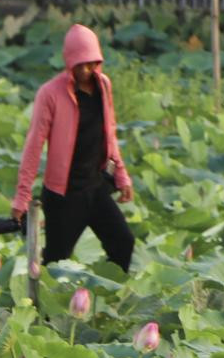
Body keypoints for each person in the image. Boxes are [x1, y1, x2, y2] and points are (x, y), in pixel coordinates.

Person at [11, 24, 135, 271]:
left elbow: (109, 132)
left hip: (95, 187)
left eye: (92, 63)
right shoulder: (50, 94)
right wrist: (22, 196)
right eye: (81, 64)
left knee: (124, 242)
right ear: (69, 62)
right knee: (56, 264)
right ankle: (47, 308)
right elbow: (34, 146)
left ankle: (100, 299)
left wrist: (121, 175)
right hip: (63, 196)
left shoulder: (103, 86)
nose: (87, 70)